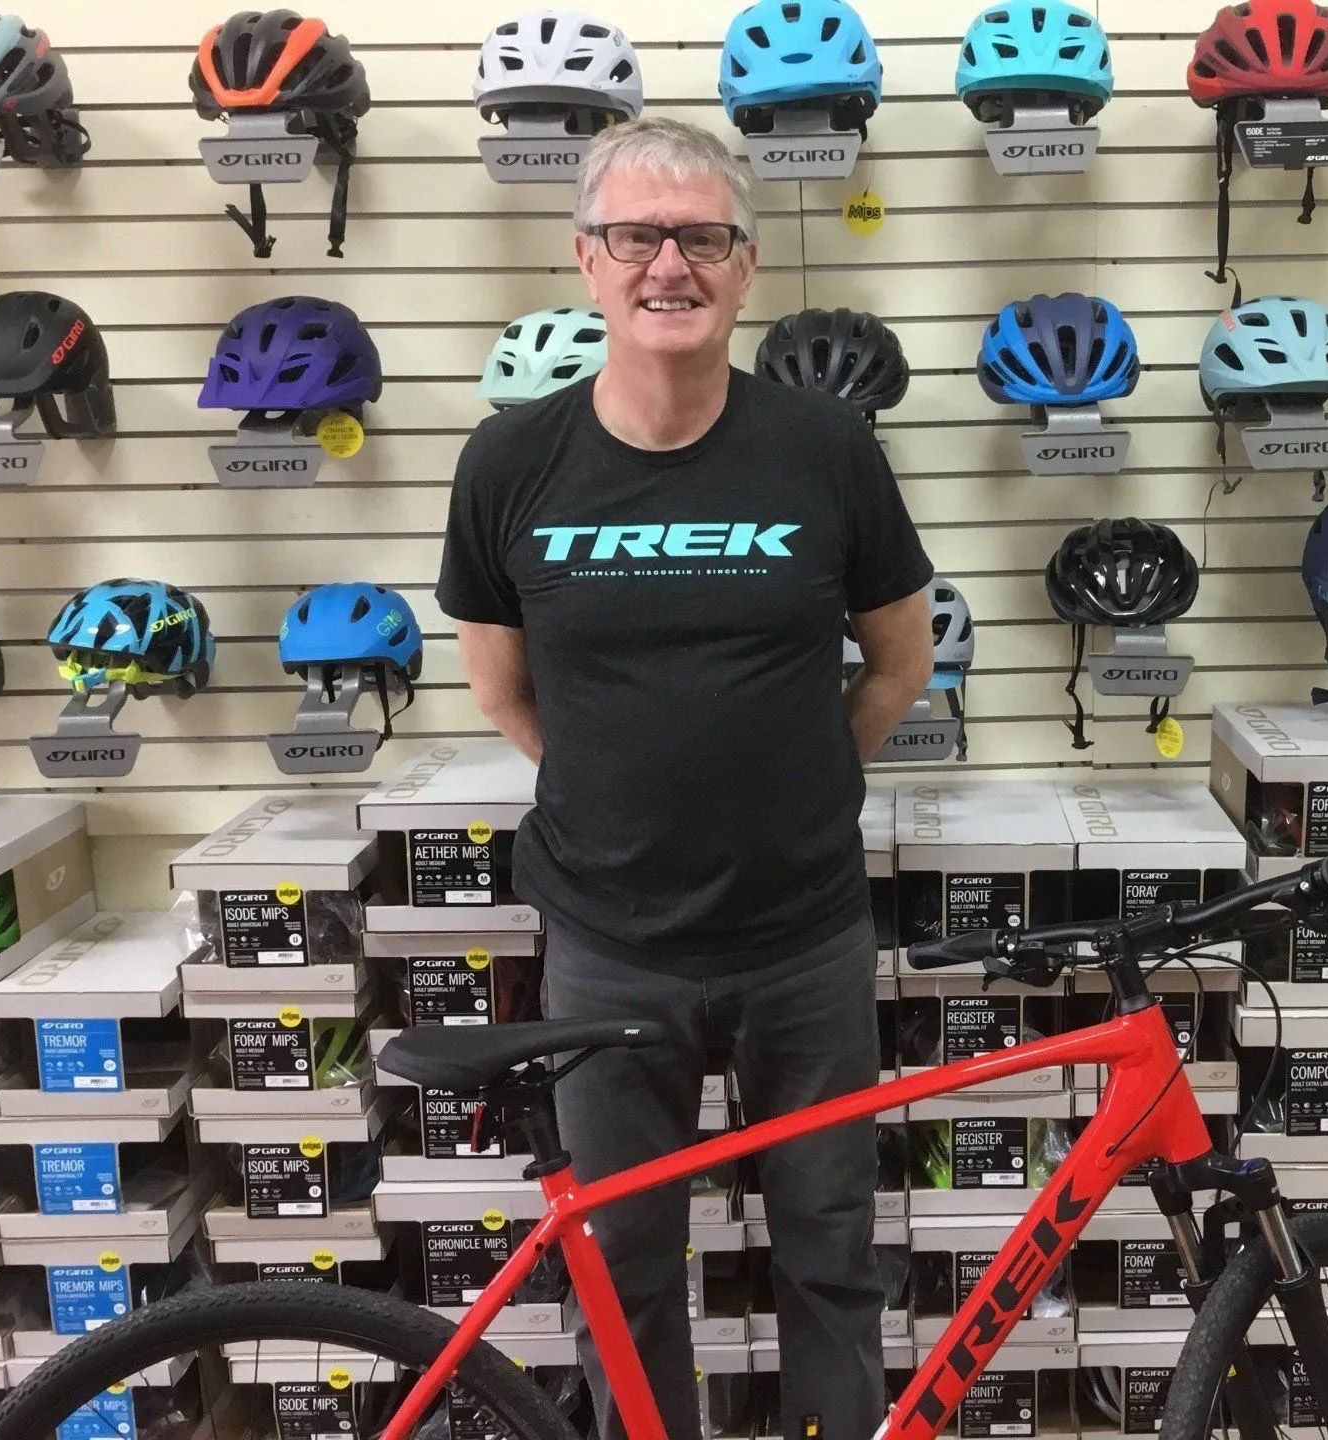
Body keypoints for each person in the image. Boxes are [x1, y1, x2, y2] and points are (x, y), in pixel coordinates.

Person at [436, 116, 934, 1440]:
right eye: (639, 237)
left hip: (804, 937)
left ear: (746, 263)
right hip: (608, 947)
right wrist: (625, 798)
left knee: (832, 1261)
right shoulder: (509, 464)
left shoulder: (825, 451)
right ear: (587, 261)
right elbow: (503, 690)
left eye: (701, 237)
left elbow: (896, 661)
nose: (672, 264)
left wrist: (796, 790)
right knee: (629, 1276)